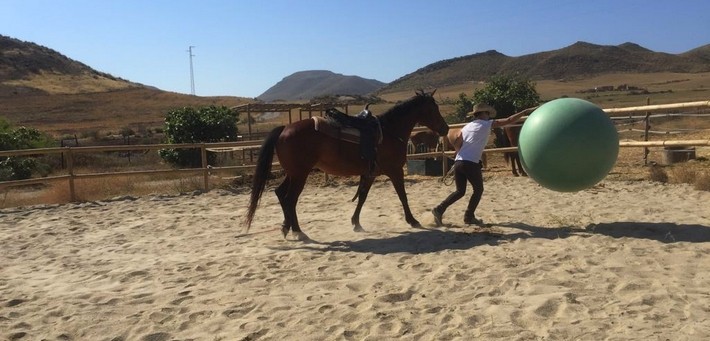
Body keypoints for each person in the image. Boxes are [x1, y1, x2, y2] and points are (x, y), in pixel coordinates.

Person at [432, 103, 537, 226]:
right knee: (478, 190)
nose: (488, 116)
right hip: (470, 163)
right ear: (483, 113)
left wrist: (459, 155)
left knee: (460, 191)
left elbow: (457, 141)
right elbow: (509, 120)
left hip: (459, 162)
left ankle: (439, 209)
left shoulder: (467, 126)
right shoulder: (487, 124)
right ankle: (469, 216)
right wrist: (524, 112)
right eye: (487, 113)